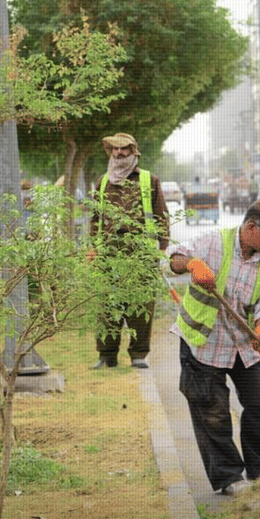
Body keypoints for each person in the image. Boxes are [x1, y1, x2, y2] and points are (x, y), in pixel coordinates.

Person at [166, 200, 260, 495]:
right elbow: (174, 258)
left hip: (243, 344)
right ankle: (229, 477)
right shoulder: (213, 242)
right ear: (251, 227)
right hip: (204, 343)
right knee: (212, 412)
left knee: (259, 404)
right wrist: (192, 264)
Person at [88, 132, 170, 369]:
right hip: (108, 251)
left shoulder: (148, 180)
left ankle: (138, 355)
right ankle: (107, 356)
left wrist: (162, 247)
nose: (119, 153)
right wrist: (93, 247)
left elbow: (161, 215)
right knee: (107, 305)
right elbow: (95, 217)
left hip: (140, 251)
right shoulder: (103, 181)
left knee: (141, 304)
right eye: (114, 149)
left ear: (133, 151)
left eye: (123, 148)